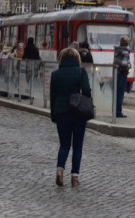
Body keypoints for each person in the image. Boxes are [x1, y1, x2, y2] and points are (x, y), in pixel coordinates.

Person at [50, 47, 91, 188]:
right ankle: (75, 177)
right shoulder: (81, 72)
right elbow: (86, 91)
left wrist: (53, 115)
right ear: (77, 59)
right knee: (77, 146)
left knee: (64, 145)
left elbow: (52, 97)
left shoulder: (55, 74)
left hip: (61, 113)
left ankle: (60, 170)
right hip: (78, 113)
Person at [113, 36, 131, 117]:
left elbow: (116, 62)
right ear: (127, 43)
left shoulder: (117, 50)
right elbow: (124, 64)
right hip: (122, 74)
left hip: (116, 73)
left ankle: (114, 110)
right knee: (120, 94)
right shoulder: (125, 52)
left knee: (116, 93)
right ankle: (118, 112)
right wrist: (129, 65)